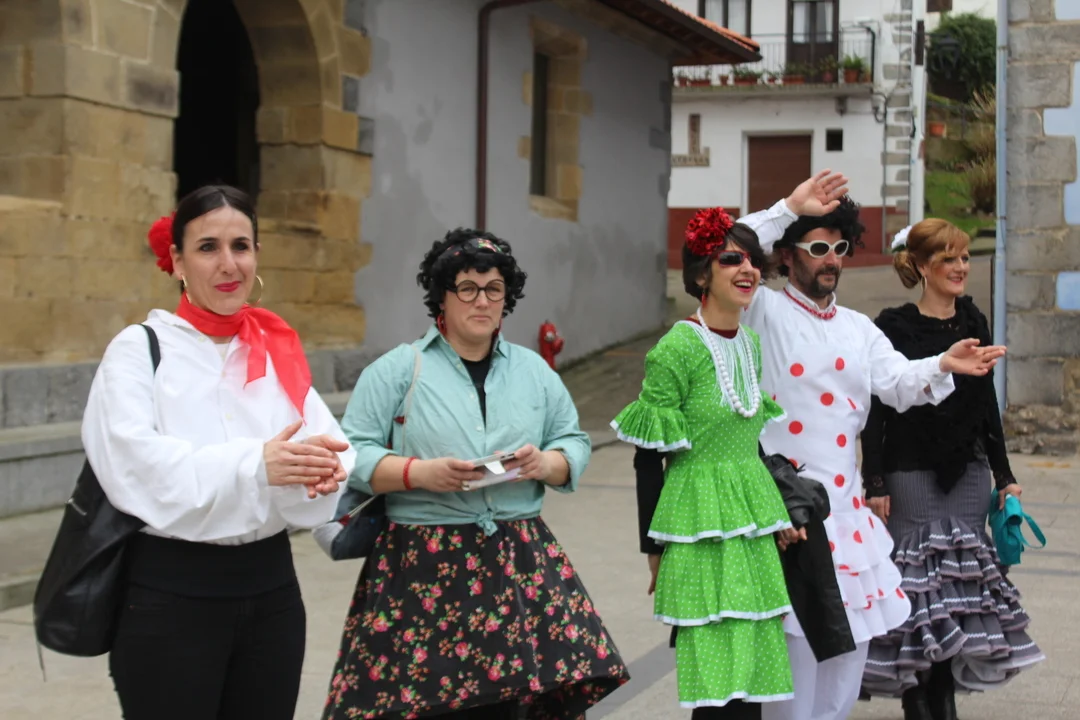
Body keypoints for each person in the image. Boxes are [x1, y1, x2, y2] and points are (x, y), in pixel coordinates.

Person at [729, 172, 1007, 720]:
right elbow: (729, 248)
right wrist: (788, 207)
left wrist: (942, 363)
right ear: (786, 256)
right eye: (817, 249)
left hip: (846, 518)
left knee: (845, 666)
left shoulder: (858, 328)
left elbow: (898, 381)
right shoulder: (761, 311)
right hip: (786, 513)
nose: (830, 260)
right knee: (793, 668)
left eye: (839, 249)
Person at [324, 229, 628, 720]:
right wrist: (419, 473)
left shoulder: (534, 371)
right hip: (422, 566)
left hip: (518, 559)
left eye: (494, 289)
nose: (482, 301)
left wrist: (545, 464)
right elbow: (349, 455)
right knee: (428, 707)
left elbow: (572, 441)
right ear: (441, 296)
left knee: (515, 707)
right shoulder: (398, 370)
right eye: (467, 288)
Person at [81, 184, 355, 720]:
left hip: (273, 592)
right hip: (170, 595)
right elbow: (134, 468)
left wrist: (319, 472)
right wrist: (257, 466)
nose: (229, 264)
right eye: (208, 247)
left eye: (241, 246)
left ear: (257, 256)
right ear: (178, 261)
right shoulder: (139, 350)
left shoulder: (274, 348)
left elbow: (329, 448)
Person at [614, 207, 801, 718]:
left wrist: (778, 511)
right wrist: (654, 548)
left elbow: (748, 441)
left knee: (753, 677)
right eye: (731, 260)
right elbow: (648, 458)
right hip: (697, 527)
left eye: (752, 260)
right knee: (716, 684)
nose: (748, 270)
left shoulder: (752, 345)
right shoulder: (675, 349)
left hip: (749, 527)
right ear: (701, 275)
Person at [859, 219, 1044, 720]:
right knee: (917, 594)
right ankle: (918, 700)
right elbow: (875, 408)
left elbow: (986, 405)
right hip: (910, 474)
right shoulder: (893, 326)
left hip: (967, 474)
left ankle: (942, 701)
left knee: (958, 597)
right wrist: (873, 480)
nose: (961, 267)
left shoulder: (973, 320)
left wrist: (1004, 476)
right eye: (949, 259)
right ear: (922, 266)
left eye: (964, 258)